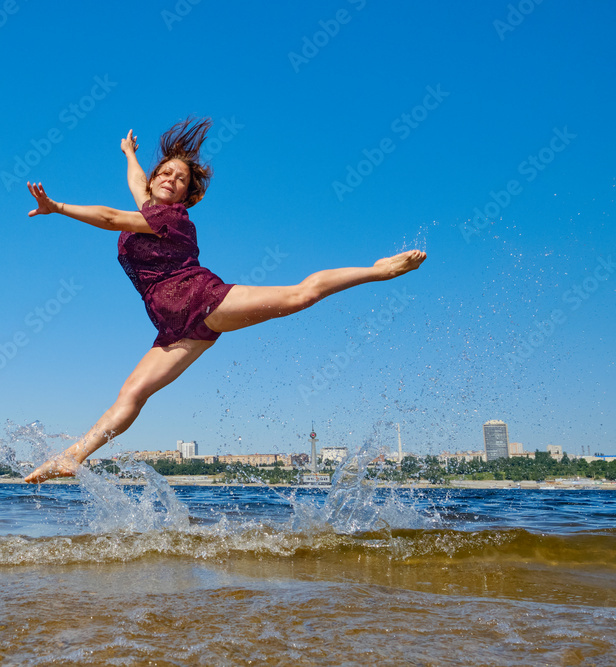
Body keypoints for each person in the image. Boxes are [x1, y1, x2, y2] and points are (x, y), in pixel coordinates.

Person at [23, 118, 425, 484]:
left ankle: (379, 270)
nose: (169, 179)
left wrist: (56, 207)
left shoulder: (171, 218)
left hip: (203, 300)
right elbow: (136, 183)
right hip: (173, 329)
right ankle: (71, 458)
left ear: (188, 195)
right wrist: (130, 154)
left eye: (179, 179)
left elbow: (111, 217)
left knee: (301, 295)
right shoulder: (147, 201)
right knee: (132, 395)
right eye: (164, 173)